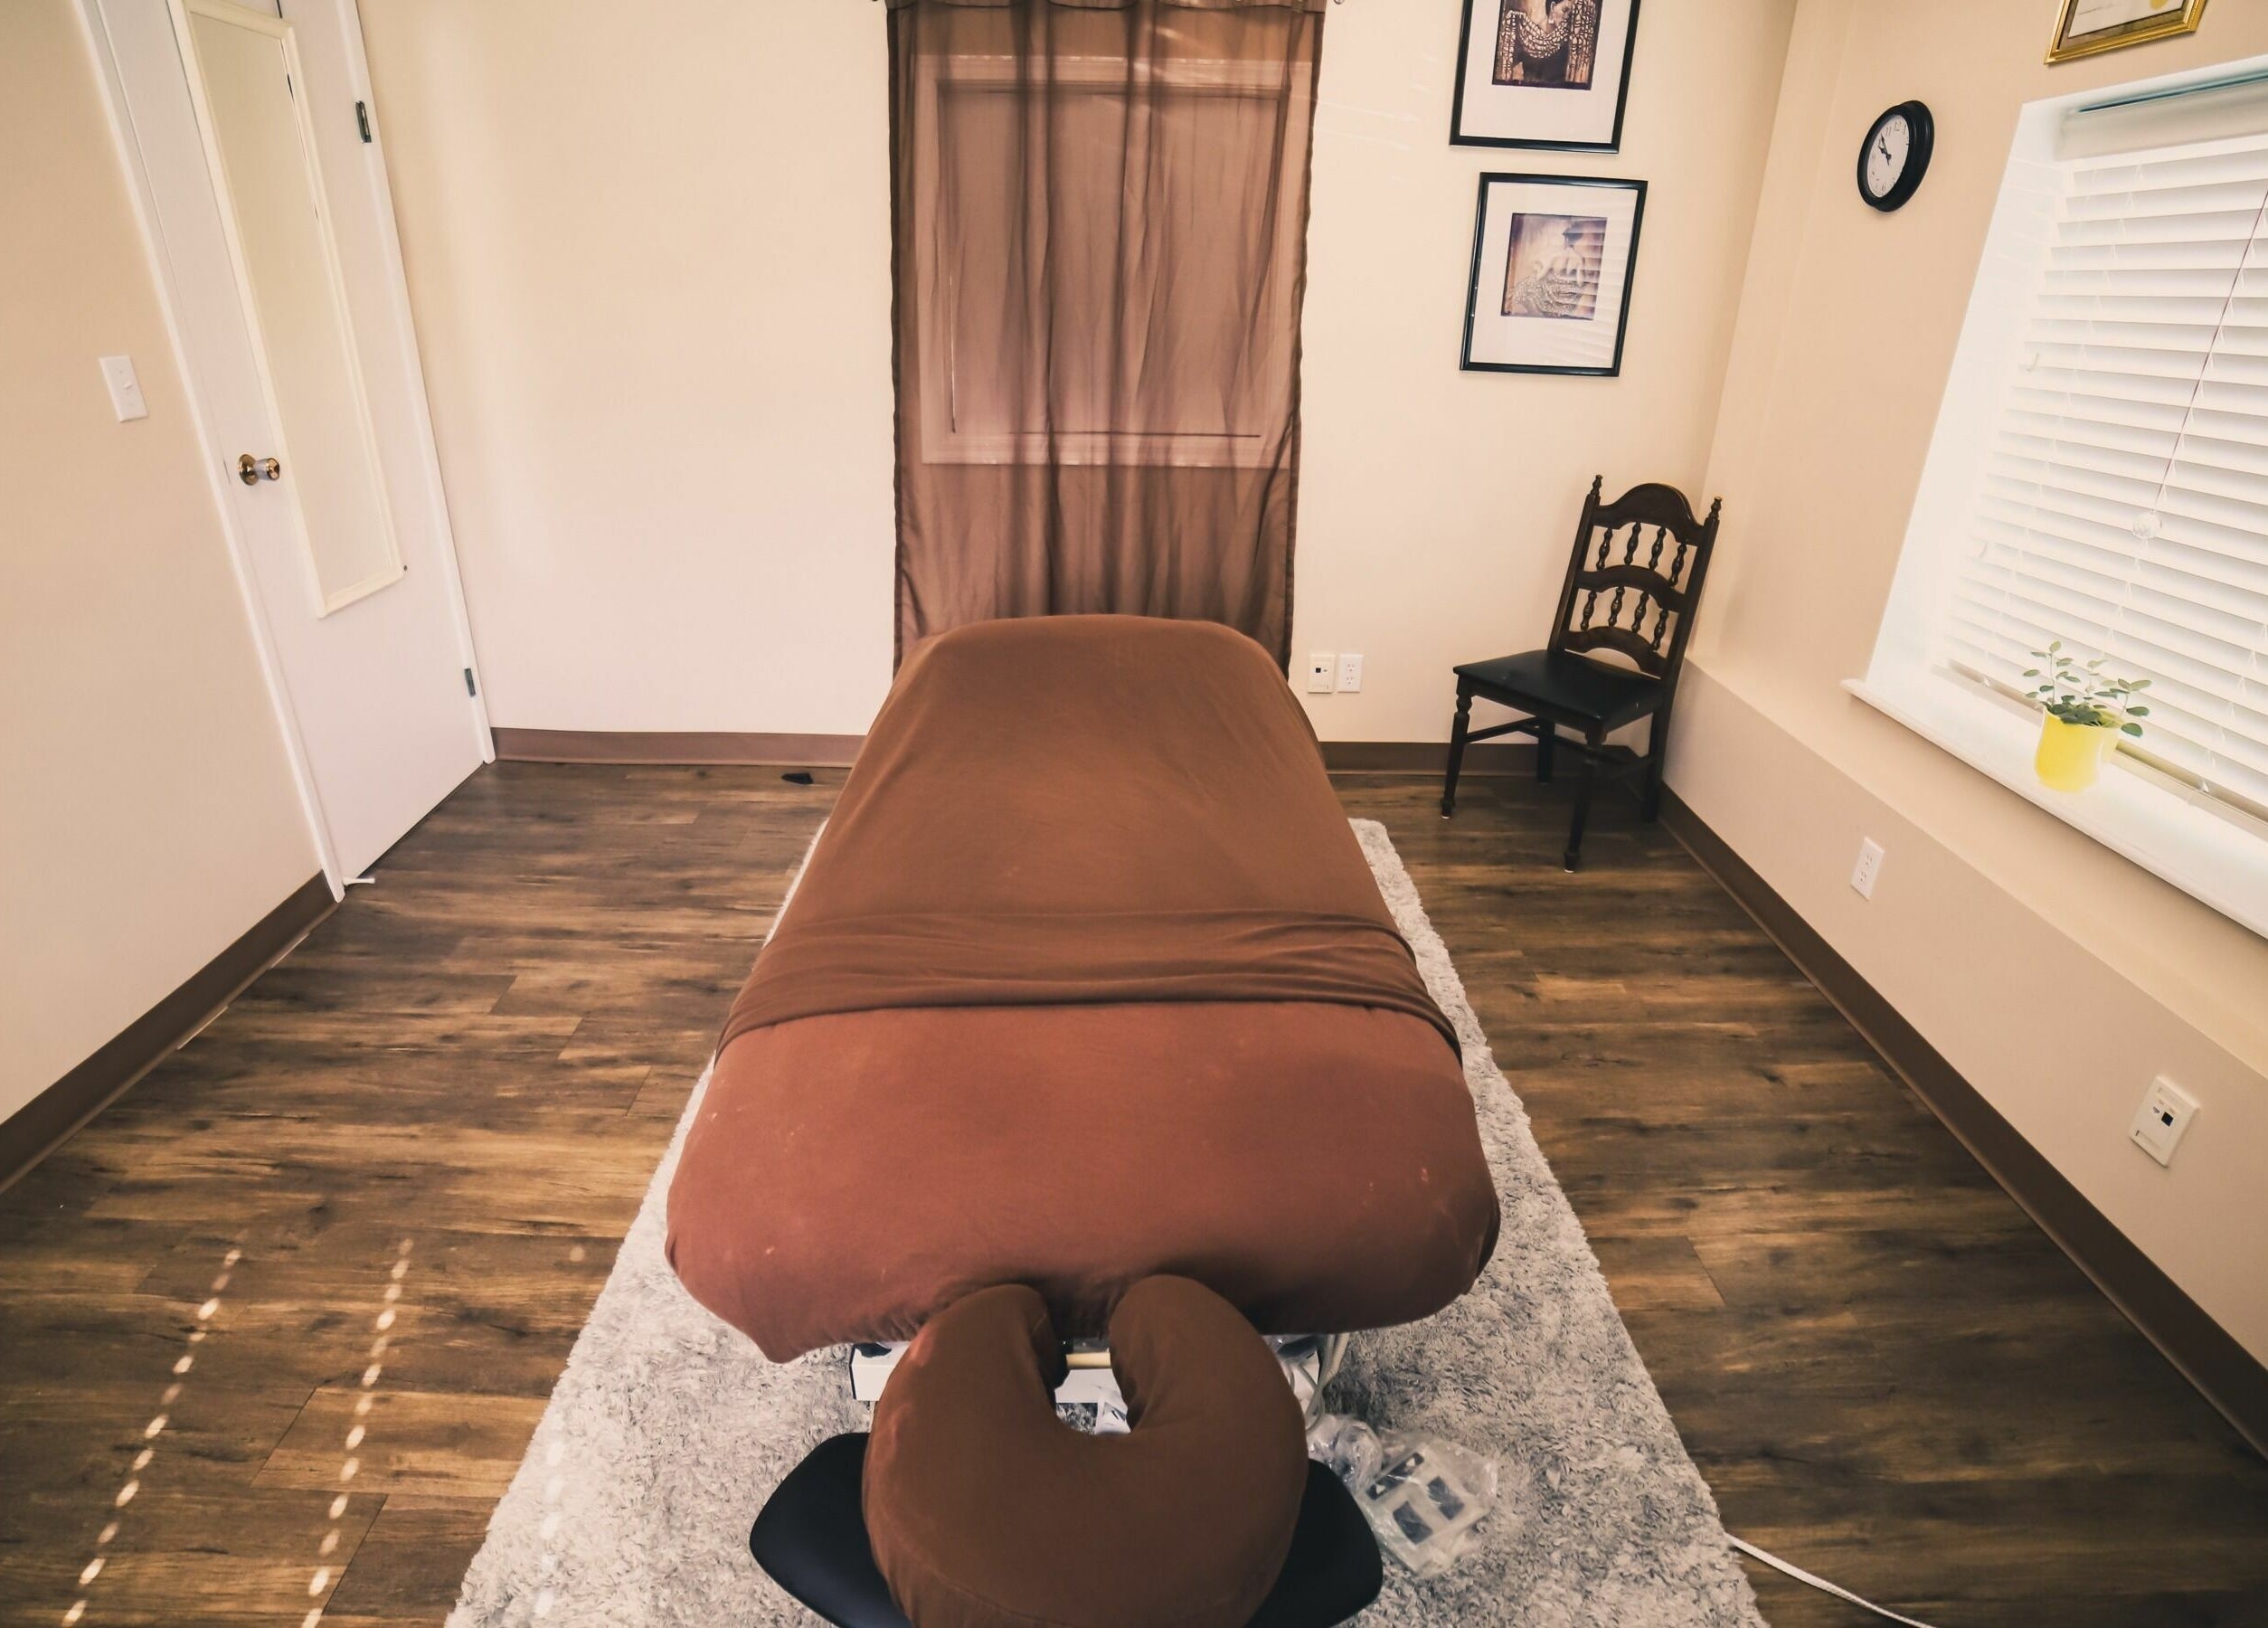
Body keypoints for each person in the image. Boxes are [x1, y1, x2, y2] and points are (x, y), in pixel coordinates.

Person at [1492, 0, 1600, 90]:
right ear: (1552, 7)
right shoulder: (1526, 35)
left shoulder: (1576, 45)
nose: (1568, 18)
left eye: (1572, 14)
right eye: (1565, 10)